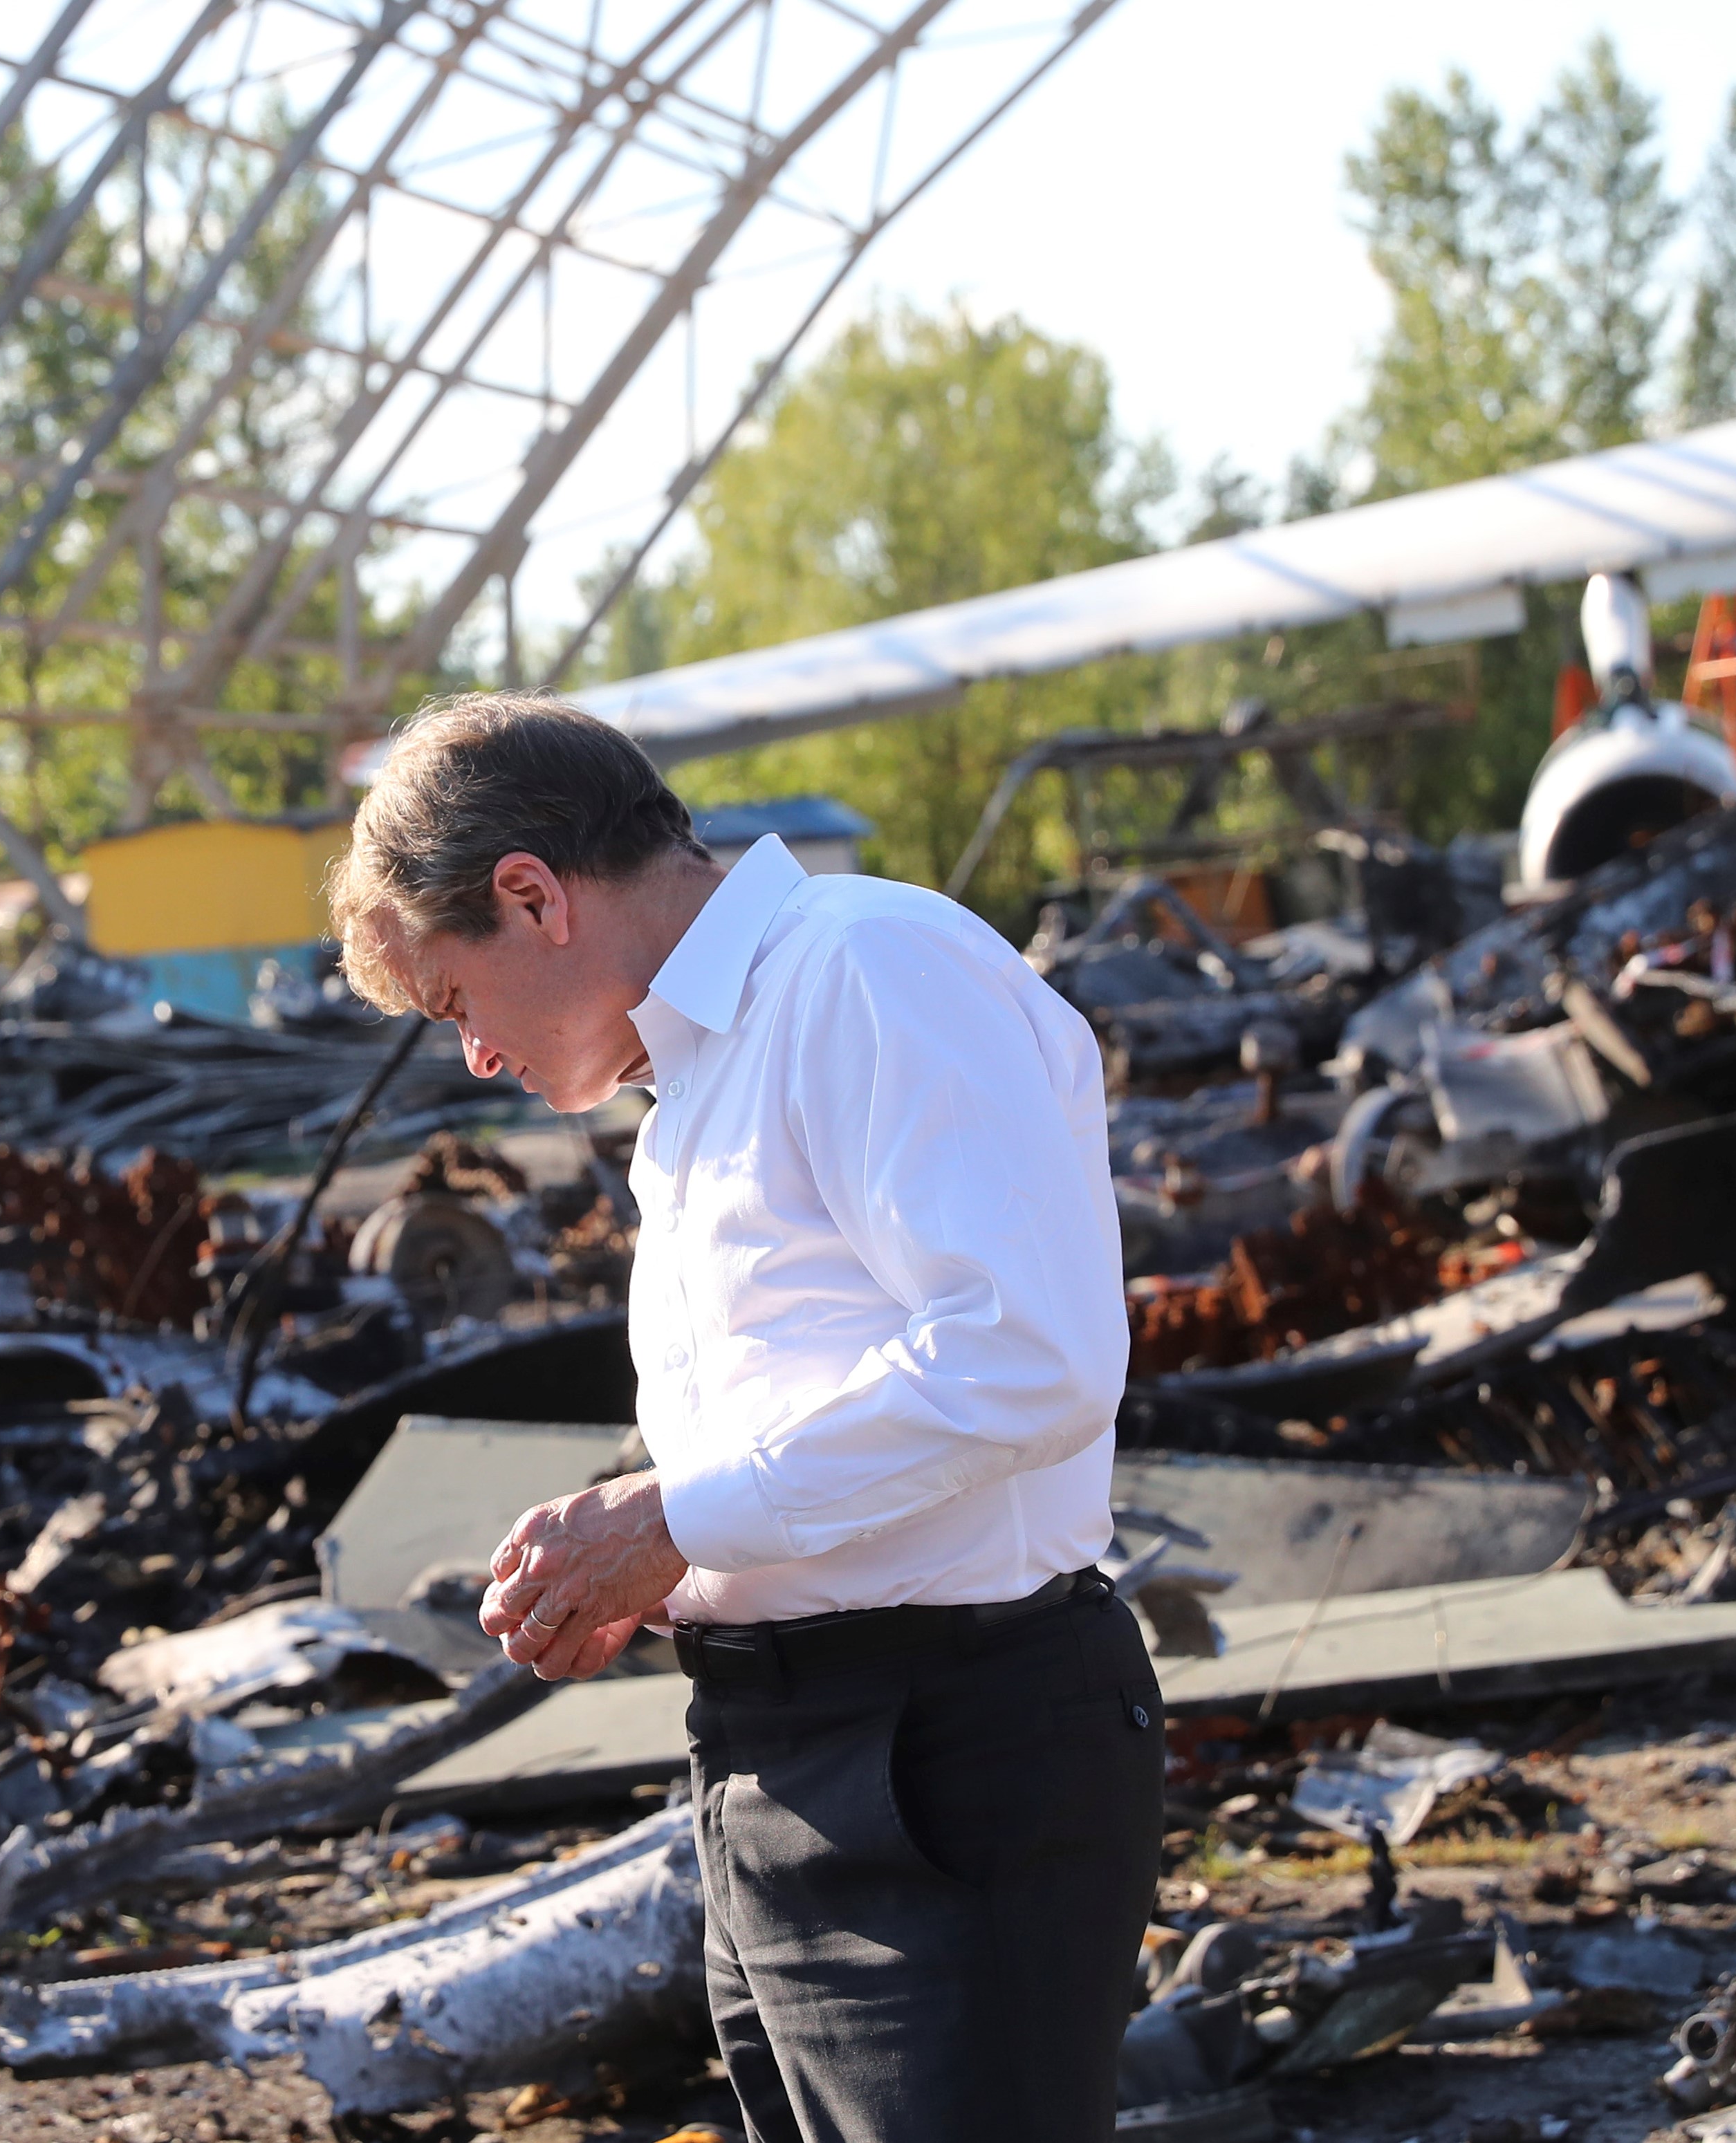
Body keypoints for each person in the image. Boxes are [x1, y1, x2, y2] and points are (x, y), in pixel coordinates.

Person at [327, 692, 1161, 2143]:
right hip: (791, 1749)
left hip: (945, 1748)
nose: (474, 1058)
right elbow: (841, 1389)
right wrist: (671, 1559)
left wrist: (671, 1520)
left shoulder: (868, 969)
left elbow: (1027, 1353)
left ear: (531, 895)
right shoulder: (703, 1076)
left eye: (457, 1003)